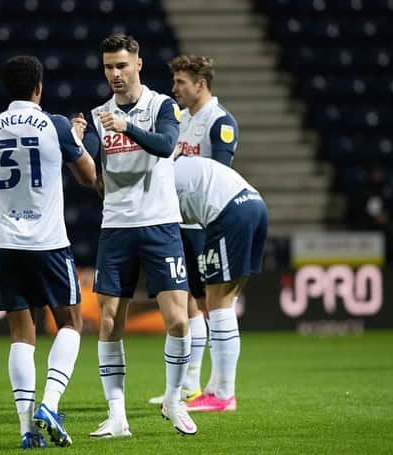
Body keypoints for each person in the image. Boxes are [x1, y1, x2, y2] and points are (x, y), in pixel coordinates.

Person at [79, 34, 197, 437]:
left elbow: (165, 146)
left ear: (138, 65)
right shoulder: (98, 115)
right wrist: (77, 142)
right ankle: (116, 416)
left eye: (122, 65)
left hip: (161, 224)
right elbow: (91, 169)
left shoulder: (162, 105)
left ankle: (173, 399)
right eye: (109, 66)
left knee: (179, 321)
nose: (115, 74)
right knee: (109, 321)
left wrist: (126, 125)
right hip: (115, 227)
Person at [0, 55, 96, 449]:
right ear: (39, 87)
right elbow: (88, 177)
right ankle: (50, 402)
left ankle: (27, 430)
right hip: (47, 242)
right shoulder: (56, 124)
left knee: (20, 336)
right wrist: (76, 138)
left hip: (6, 243)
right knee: (71, 324)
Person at [149, 54, 240, 409]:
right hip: (178, 220)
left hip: (204, 224)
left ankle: (219, 387)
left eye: (180, 83)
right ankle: (189, 384)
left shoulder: (220, 122)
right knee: (188, 302)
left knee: (208, 302)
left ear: (200, 84)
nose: (174, 90)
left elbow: (218, 177)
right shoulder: (180, 120)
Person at [173, 154, 267, 411]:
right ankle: (216, 388)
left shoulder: (159, 175)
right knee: (226, 300)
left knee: (218, 303)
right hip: (254, 203)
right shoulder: (178, 164)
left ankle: (224, 395)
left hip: (230, 212)